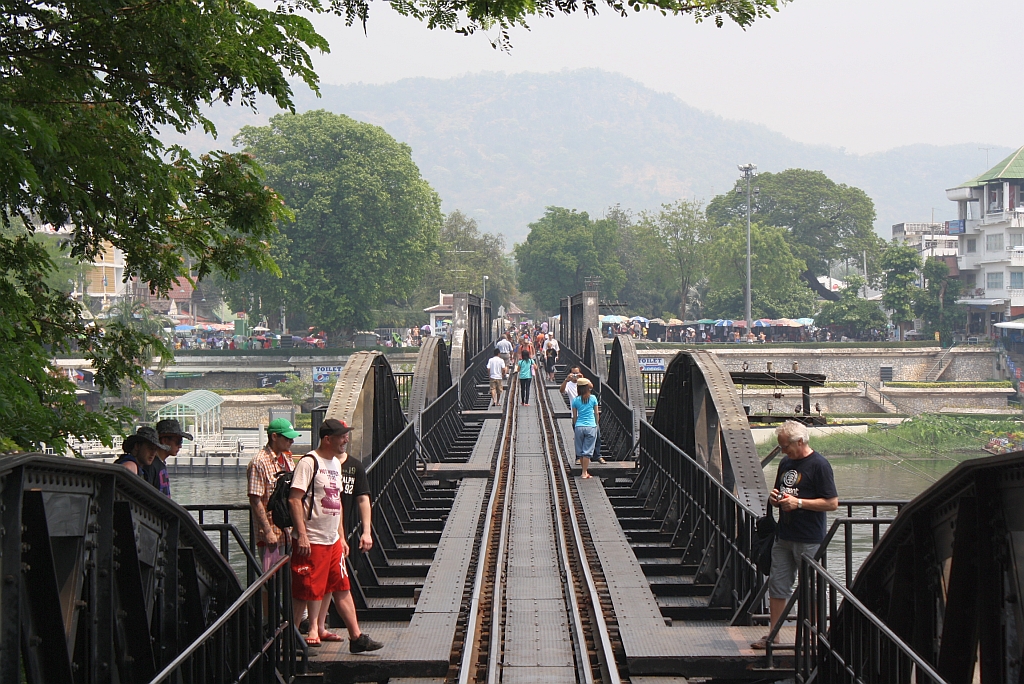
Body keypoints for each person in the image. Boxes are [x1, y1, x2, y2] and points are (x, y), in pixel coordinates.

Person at [289, 418, 383, 653]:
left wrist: (341, 536)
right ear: (327, 439)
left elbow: (337, 503)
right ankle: (291, 637)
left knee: (341, 586)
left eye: (346, 435)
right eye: (342, 436)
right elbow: (294, 498)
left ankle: (356, 637)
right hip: (312, 538)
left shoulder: (335, 464)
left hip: (331, 540)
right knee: (305, 588)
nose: (346, 440)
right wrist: (301, 534)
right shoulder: (309, 462)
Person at [752, 420, 838, 650]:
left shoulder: (820, 465)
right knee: (777, 585)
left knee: (812, 589)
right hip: (784, 536)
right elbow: (781, 490)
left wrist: (798, 503)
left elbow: (831, 503)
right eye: (780, 447)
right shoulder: (786, 462)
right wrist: (775, 498)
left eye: (785, 446)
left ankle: (814, 637)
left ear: (800, 442)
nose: (783, 451)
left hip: (809, 538)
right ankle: (773, 634)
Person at [247, 418, 300, 572]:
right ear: (274, 437)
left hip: (289, 531)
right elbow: (255, 499)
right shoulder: (259, 462)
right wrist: (267, 532)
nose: (292, 441)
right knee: (271, 581)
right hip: (272, 534)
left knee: (289, 577)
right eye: (287, 438)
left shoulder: (287, 459)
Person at [150, 418, 191, 497]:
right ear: (164, 440)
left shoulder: (159, 463)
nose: (180, 446)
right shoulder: (152, 465)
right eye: (178, 442)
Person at [571, 378, 600, 479]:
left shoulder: (575, 400)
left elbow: (575, 416)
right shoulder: (593, 398)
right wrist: (596, 423)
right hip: (590, 426)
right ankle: (584, 473)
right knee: (587, 451)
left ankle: (584, 471)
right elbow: (596, 412)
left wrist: (575, 426)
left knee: (580, 451)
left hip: (579, 426)